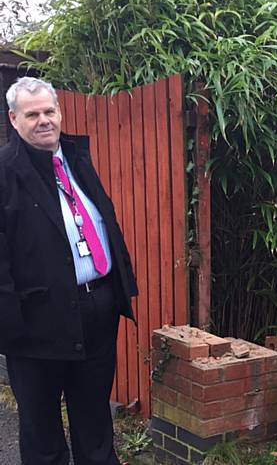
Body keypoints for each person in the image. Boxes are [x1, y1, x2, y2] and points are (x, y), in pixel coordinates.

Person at [0, 76, 138, 465]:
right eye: (32, 114)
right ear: (13, 119)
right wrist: (10, 330)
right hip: (35, 323)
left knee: (95, 419)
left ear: (59, 111)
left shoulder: (76, 157)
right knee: (42, 430)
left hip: (96, 312)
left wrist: (116, 290)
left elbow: (100, 221)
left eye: (49, 111)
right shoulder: (5, 173)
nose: (44, 120)